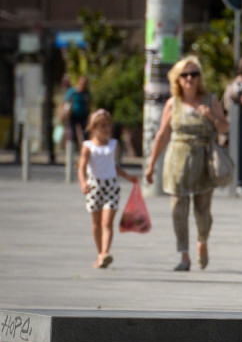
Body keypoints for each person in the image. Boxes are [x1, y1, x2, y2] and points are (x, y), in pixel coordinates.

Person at [144, 55, 229, 271]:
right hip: (177, 160)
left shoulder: (210, 100)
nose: (189, 78)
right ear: (177, 79)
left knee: (203, 211)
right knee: (178, 210)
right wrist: (151, 164)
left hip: (203, 159)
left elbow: (224, 128)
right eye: (185, 75)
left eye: (194, 74)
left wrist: (211, 116)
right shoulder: (173, 103)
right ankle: (184, 255)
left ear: (199, 77)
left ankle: (202, 242)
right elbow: (162, 134)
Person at [78, 109, 137, 269]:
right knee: (96, 223)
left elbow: (113, 166)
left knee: (107, 222)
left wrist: (127, 176)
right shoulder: (88, 146)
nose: (106, 129)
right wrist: (83, 183)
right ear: (93, 127)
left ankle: (105, 252)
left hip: (111, 186)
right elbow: (81, 167)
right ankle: (100, 254)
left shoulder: (113, 145)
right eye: (102, 126)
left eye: (108, 126)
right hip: (94, 186)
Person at [63, 76, 93, 150]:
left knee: (85, 133)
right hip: (73, 115)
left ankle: (84, 149)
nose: (83, 85)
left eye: (85, 84)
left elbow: (90, 104)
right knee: (72, 133)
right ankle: (73, 150)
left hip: (84, 115)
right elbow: (65, 102)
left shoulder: (86, 93)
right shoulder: (72, 92)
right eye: (82, 83)